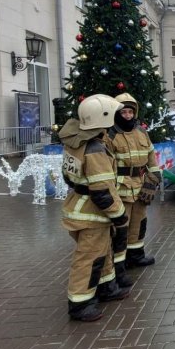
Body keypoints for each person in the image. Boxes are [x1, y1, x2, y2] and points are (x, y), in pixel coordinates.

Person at [59, 94, 130, 322]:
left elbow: (68, 177)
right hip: (92, 214)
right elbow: (102, 192)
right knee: (89, 258)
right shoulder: (95, 149)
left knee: (102, 253)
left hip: (80, 208)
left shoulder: (76, 142)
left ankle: (107, 287)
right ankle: (79, 303)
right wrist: (120, 217)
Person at [107, 93, 161, 274]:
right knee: (121, 227)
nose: (128, 116)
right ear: (117, 113)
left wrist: (153, 180)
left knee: (140, 222)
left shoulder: (142, 132)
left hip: (141, 185)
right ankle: (118, 264)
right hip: (121, 187)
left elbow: (152, 158)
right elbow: (107, 165)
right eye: (124, 113)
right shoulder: (111, 135)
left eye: (130, 112)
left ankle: (136, 256)